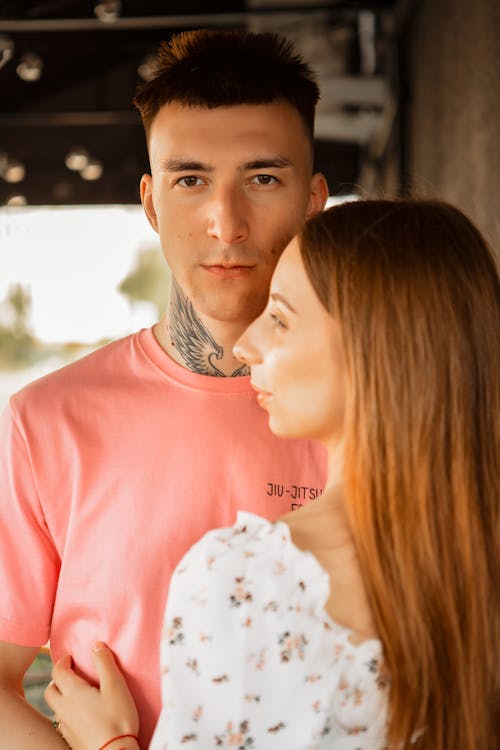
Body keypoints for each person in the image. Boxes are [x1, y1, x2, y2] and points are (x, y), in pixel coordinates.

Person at [44, 199, 500, 750]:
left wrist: (110, 745)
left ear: (375, 347)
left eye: (279, 318)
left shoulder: (248, 578)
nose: (246, 343)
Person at [0, 30, 330, 748]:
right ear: (150, 203)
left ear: (314, 200)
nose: (226, 221)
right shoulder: (44, 422)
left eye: (263, 178)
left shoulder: (373, 414)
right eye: (190, 180)